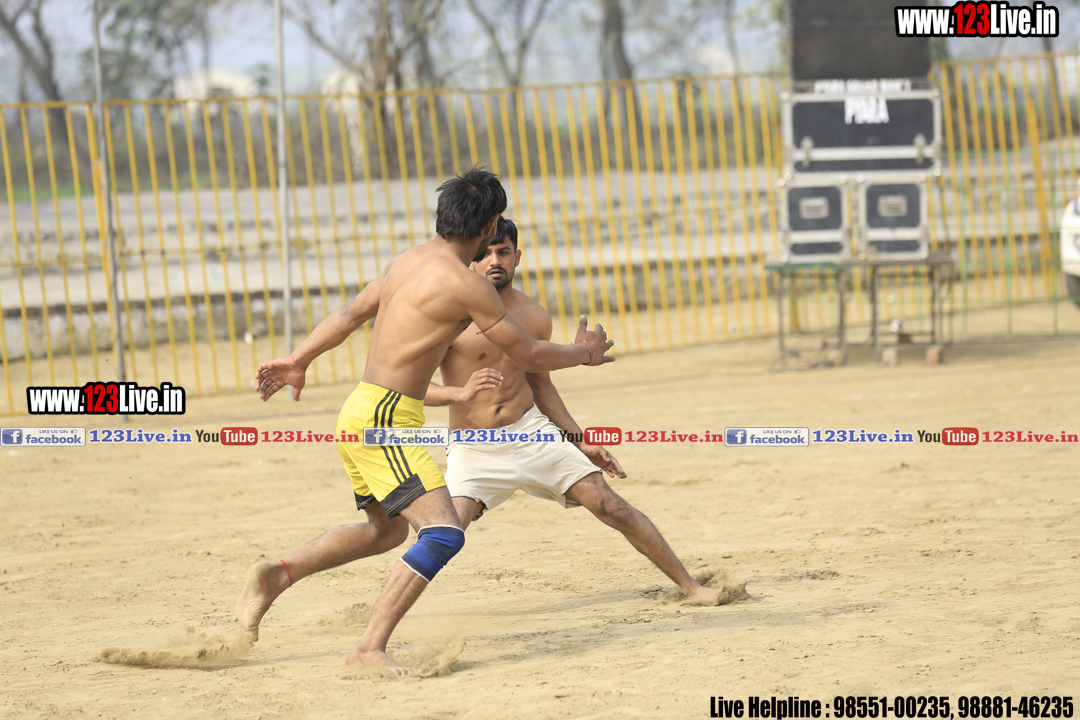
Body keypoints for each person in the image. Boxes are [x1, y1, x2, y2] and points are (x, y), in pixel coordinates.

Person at [235, 169, 615, 676]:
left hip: (361, 410)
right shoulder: (466, 285)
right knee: (443, 534)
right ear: (489, 226)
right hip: (386, 420)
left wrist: (298, 358)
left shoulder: (406, 261)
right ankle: (368, 649)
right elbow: (528, 352)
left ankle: (278, 576)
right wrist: (585, 354)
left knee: (384, 533)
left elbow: (348, 316)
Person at [425, 218, 725, 605]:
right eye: (486, 253)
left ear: (518, 257)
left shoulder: (534, 316)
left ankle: (692, 587)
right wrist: (459, 393)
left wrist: (580, 441)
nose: (494, 261)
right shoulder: (450, 317)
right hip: (474, 444)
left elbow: (541, 386)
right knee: (445, 534)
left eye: (503, 252)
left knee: (610, 505)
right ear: (472, 258)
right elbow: (412, 387)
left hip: (531, 432)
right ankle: (385, 619)